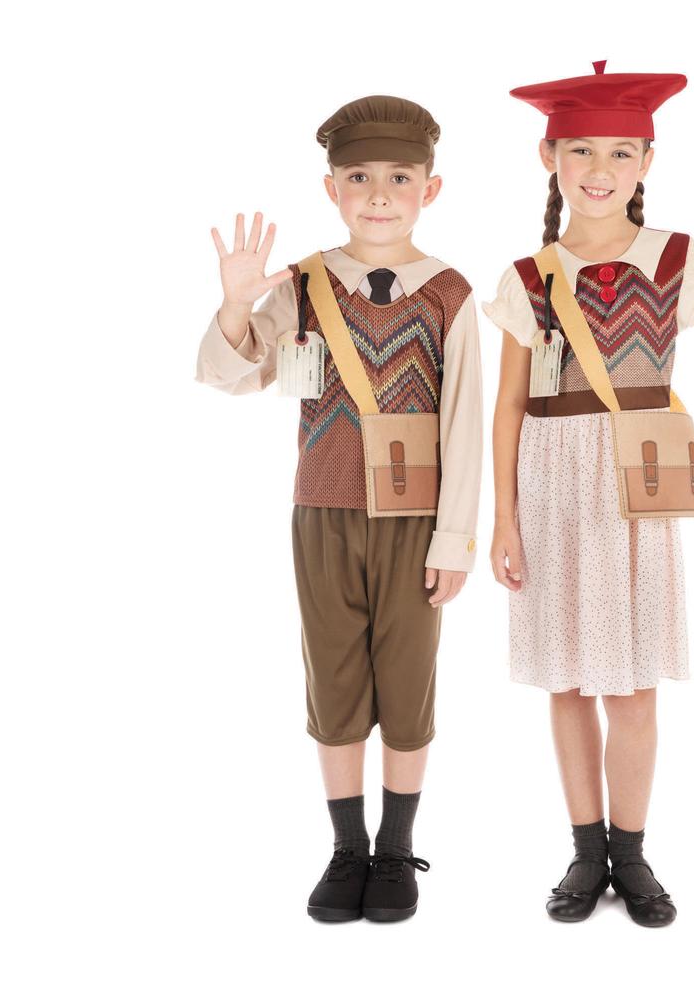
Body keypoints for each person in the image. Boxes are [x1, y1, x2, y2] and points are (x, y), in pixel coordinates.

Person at [480, 60, 694, 926]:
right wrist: (503, 517)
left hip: (634, 484)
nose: (599, 169)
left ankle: (633, 851)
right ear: (550, 157)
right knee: (568, 681)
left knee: (633, 685)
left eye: (620, 151)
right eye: (581, 149)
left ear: (647, 161)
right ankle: (586, 853)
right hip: (552, 483)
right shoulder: (529, 275)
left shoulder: (676, 259)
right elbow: (508, 406)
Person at [194, 95, 482, 923]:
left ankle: (395, 849)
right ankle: (346, 847)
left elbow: (463, 419)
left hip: (417, 522)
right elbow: (230, 374)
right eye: (359, 178)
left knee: (408, 683)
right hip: (322, 511)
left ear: (431, 189)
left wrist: (455, 539)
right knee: (333, 680)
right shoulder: (304, 285)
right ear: (332, 189)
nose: (379, 195)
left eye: (400, 178)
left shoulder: (450, 293)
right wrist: (238, 304)